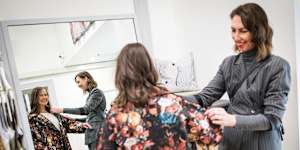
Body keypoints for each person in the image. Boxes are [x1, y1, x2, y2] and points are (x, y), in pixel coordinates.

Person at [186, 3, 291, 150]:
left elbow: (272, 119)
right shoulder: (228, 63)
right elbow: (204, 97)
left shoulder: (278, 66)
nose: (236, 37)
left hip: (260, 143)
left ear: (258, 32)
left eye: (243, 31)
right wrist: (170, 99)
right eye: (233, 30)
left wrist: (231, 119)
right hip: (230, 142)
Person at [96, 43, 222, 150]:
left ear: (120, 74)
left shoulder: (114, 116)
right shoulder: (174, 103)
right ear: (150, 69)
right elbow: (211, 136)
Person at [51, 71, 106, 150]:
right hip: (93, 135)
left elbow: (85, 110)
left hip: (97, 134)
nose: (78, 85)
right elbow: (91, 117)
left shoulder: (97, 92)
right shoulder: (92, 94)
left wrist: (61, 109)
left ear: (86, 78)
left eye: (78, 82)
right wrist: (74, 119)